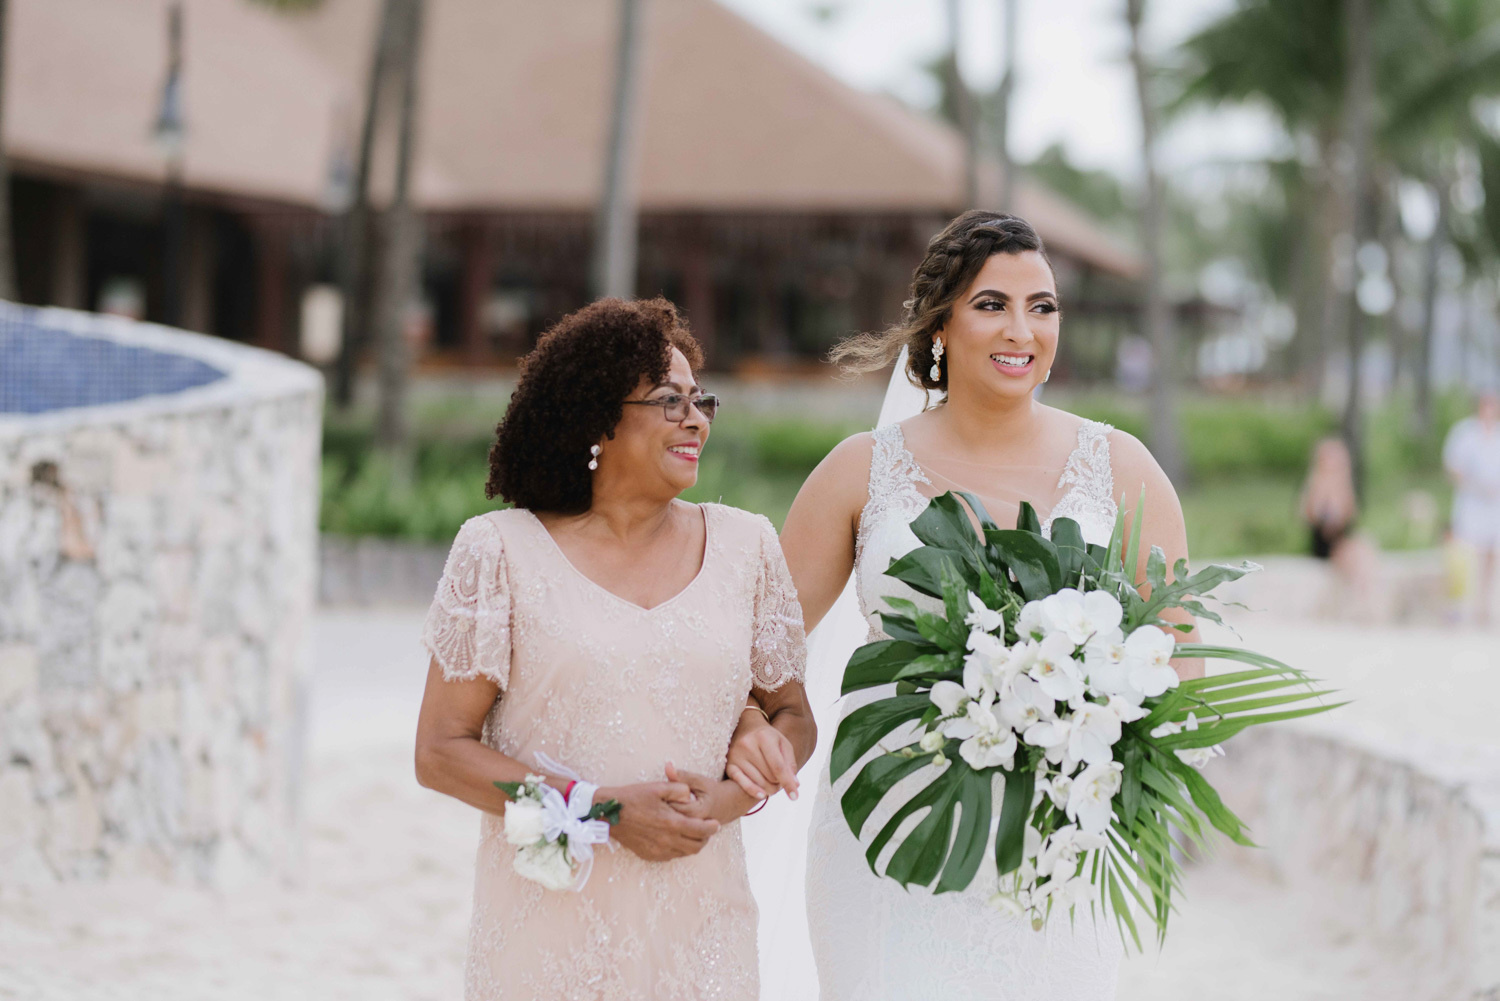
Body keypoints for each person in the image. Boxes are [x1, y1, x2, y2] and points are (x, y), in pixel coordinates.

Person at [731, 210, 1202, 1000]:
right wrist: (754, 725)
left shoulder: (1123, 468)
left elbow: (1180, 669)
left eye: (1042, 305)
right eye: (992, 304)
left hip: (1055, 849)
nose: (1022, 328)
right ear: (939, 323)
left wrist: (1081, 716)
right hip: (887, 833)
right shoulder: (860, 472)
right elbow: (753, 653)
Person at [414, 297, 816, 1001]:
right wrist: (599, 809)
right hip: (548, 938)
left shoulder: (746, 546)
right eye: (669, 400)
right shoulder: (501, 552)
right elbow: (441, 751)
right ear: (597, 417)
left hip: (703, 931)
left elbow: (793, 716)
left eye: (701, 400)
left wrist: (735, 788)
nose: (696, 419)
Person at [1443, 391, 1500, 626]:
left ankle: (1484, 608)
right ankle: (1459, 607)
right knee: (1466, 555)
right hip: (1471, 503)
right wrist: (1476, 485)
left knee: (1491, 555)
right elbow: (1452, 467)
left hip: (1495, 506)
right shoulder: (1464, 432)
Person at [1300, 436, 1358, 560]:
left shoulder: (1344, 488)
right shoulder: (1315, 486)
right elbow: (1307, 516)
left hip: (1342, 547)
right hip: (1323, 550)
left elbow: (1350, 517)